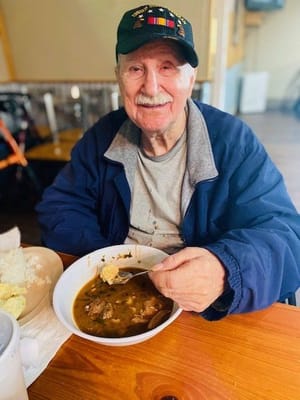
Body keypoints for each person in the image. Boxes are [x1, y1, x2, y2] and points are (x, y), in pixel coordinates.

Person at [36, 4, 300, 320]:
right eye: (135, 69)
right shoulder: (102, 136)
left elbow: (285, 237)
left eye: (168, 67)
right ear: (118, 77)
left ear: (191, 80)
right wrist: (104, 262)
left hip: (199, 311)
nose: (151, 87)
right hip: (121, 289)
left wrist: (224, 270)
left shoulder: (232, 141)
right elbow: (60, 206)